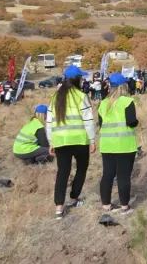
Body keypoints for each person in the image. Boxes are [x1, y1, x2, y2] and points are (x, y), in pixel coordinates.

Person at [47, 65, 96, 219]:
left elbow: (49, 122)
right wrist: (92, 140)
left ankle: (59, 208)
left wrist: (51, 142)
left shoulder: (55, 97)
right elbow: (88, 120)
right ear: (78, 79)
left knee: (62, 172)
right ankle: (74, 198)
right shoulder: (82, 96)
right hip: (80, 140)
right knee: (81, 169)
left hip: (61, 141)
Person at [97, 73, 138, 215]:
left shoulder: (103, 103)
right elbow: (131, 122)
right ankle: (125, 207)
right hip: (125, 145)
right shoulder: (127, 101)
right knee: (124, 176)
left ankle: (106, 205)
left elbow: (101, 124)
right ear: (123, 86)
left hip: (107, 145)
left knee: (107, 174)